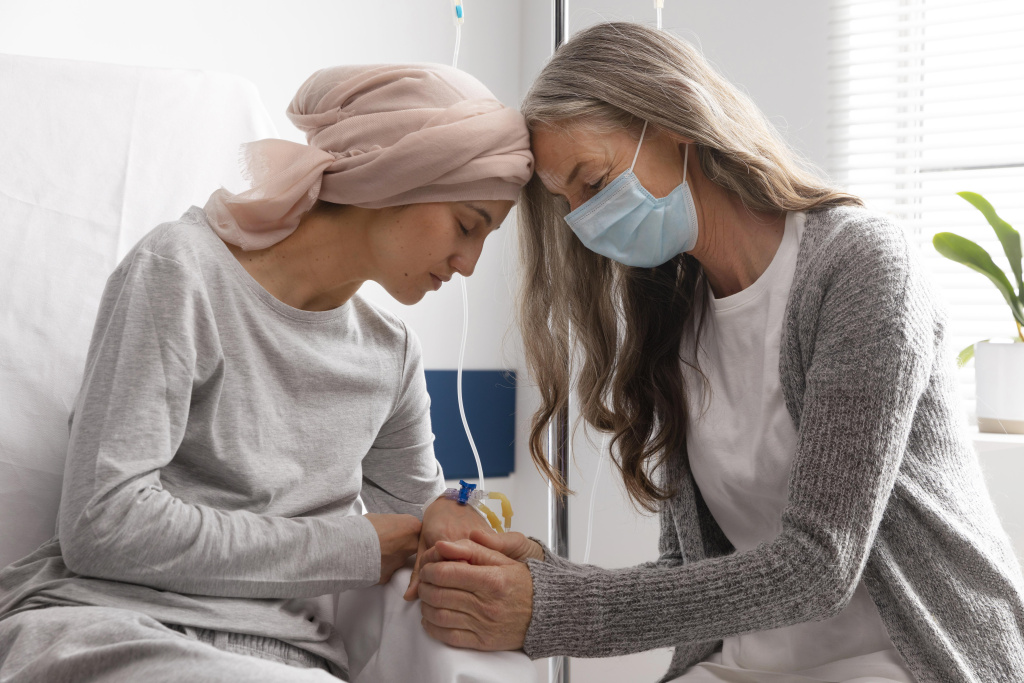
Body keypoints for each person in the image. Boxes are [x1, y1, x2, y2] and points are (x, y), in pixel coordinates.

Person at [411, 22, 1024, 683]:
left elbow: (819, 566)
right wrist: (535, 570)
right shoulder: (673, 315)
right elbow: (692, 577)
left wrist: (551, 607)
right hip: (749, 660)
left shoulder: (863, 268)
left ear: (674, 120)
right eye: (568, 202)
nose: (584, 221)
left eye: (592, 180)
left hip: (909, 658)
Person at [0, 63, 533, 682]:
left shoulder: (390, 354)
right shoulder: (182, 271)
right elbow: (103, 526)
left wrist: (453, 522)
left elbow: (419, 524)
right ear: (397, 178)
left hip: (287, 658)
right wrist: (354, 547)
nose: (468, 263)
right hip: (112, 626)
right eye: (468, 224)